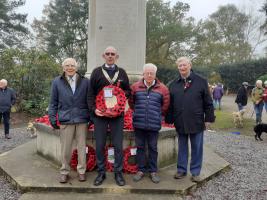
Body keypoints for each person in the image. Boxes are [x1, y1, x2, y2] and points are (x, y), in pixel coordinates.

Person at [165, 57, 215, 183]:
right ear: (178, 68)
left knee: (197, 147)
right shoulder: (173, 84)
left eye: (184, 65)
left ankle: (195, 172)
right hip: (180, 121)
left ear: (190, 65)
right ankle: (181, 170)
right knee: (182, 146)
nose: (182, 68)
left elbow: (208, 102)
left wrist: (208, 119)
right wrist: (169, 119)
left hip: (196, 120)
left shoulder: (201, 81)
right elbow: (170, 104)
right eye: (180, 66)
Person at [88, 46, 131, 186]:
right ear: (103, 56)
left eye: (113, 54)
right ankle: (101, 172)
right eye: (108, 54)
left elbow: (128, 92)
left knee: (118, 145)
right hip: (100, 116)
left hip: (117, 116)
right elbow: (90, 94)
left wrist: (122, 101)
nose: (110, 56)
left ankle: (118, 172)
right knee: (100, 144)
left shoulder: (122, 73)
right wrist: (94, 110)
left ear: (116, 56)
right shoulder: (96, 72)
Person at [48, 58, 90, 183]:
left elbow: (89, 100)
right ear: (63, 68)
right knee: (65, 148)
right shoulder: (57, 82)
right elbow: (53, 102)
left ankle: (81, 171)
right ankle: (64, 171)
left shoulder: (85, 81)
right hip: (66, 119)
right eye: (67, 65)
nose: (70, 67)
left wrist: (91, 117)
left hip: (82, 118)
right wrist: (52, 117)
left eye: (72, 65)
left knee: (81, 147)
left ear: (76, 68)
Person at [129, 63, 170, 184]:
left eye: (151, 73)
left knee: (153, 148)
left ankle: (153, 171)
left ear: (155, 74)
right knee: (140, 147)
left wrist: (156, 115)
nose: (149, 75)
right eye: (147, 73)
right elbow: (132, 103)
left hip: (154, 124)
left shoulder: (163, 88)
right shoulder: (135, 87)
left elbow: (165, 106)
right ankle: (141, 170)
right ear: (143, 73)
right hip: (139, 123)